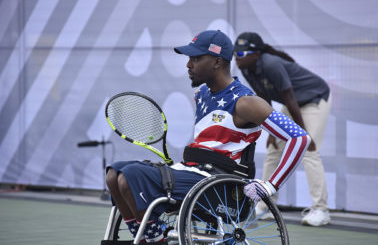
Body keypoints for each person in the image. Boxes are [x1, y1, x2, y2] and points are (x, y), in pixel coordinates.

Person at [105, 30, 311, 243]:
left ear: (216, 62)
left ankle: (155, 238)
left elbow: (300, 138)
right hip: (192, 172)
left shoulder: (247, 102)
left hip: (218, 183)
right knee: (114, 175)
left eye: (195, 58)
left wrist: (270, 186)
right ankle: (152, 235)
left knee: (131, 176)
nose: (188, 64)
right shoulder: (202, 94)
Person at [234, 32, 332, 226]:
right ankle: (265, 206)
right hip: (294, 105)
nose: (237, 58)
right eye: (235, 54)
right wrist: (271, 132)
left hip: (313, 99)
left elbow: (290, 99)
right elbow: (263, 99)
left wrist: (303, 136)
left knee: (308, 151)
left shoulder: (271, 64)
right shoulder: (247, 68)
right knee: (274, 150)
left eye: (242, 54)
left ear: (256, 54)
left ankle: (321, 209)